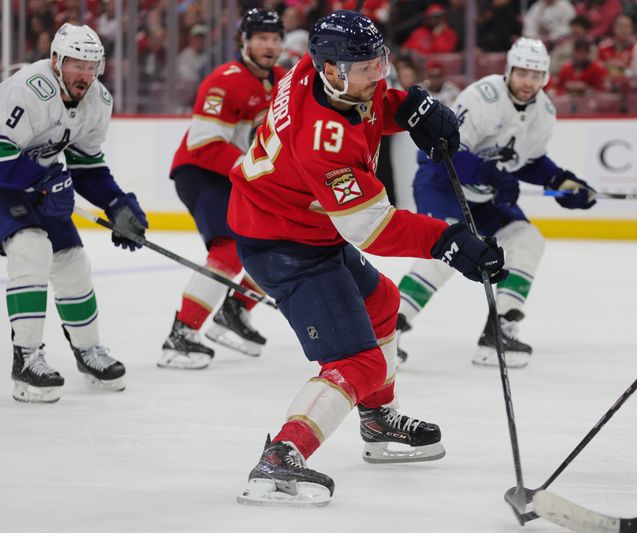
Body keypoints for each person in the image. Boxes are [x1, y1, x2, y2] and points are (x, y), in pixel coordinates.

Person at [227, 10, 506, 506]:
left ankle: (378, 421)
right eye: (367, 69)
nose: (379, 75)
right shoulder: (322, 140)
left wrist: (412, 108)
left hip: (306, 225)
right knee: (357, 360)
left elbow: (375, 102)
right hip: (285, 243)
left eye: (380, 62)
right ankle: (281, 457)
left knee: (383, 303)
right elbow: (372, 228)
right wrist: (449, 240)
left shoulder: (328, 75)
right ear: (331, 69)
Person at [395, 38, 597, 369]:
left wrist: (560, 182)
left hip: (485, 197)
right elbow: (444, 151)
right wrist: (491, 174)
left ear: (545, 77)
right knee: (447, 249)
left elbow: (527, 161)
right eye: (522, 73)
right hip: (443, 185)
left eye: (536, 75)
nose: (528, 82)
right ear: (509, 71)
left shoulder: (544, 112)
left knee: (527, 239)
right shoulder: (482, 97)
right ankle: (387, 330)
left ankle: (499, 329)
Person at [0, 23, 148, 403]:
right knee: (30, 249)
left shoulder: (98, 99)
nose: (84, 74)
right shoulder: (27, 89)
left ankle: (88, 351)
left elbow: (87, 167)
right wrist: (47, 181)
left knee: (72, 261)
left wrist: (116, 203)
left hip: (37, 180)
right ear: (55, 61)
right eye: (75, 65)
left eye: (91, 65)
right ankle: (26, 358)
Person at [160, 9, 286, 370]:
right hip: (202, 172)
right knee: (229, 249)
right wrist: (255, 170)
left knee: (285, 241)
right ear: (243, 41)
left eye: (275, 37)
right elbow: (203, 143)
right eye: (261, 37)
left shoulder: (282, 80)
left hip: (245, 175)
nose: (270, 44)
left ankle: (234, 310)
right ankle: (181, 334)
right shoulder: (224, 80)